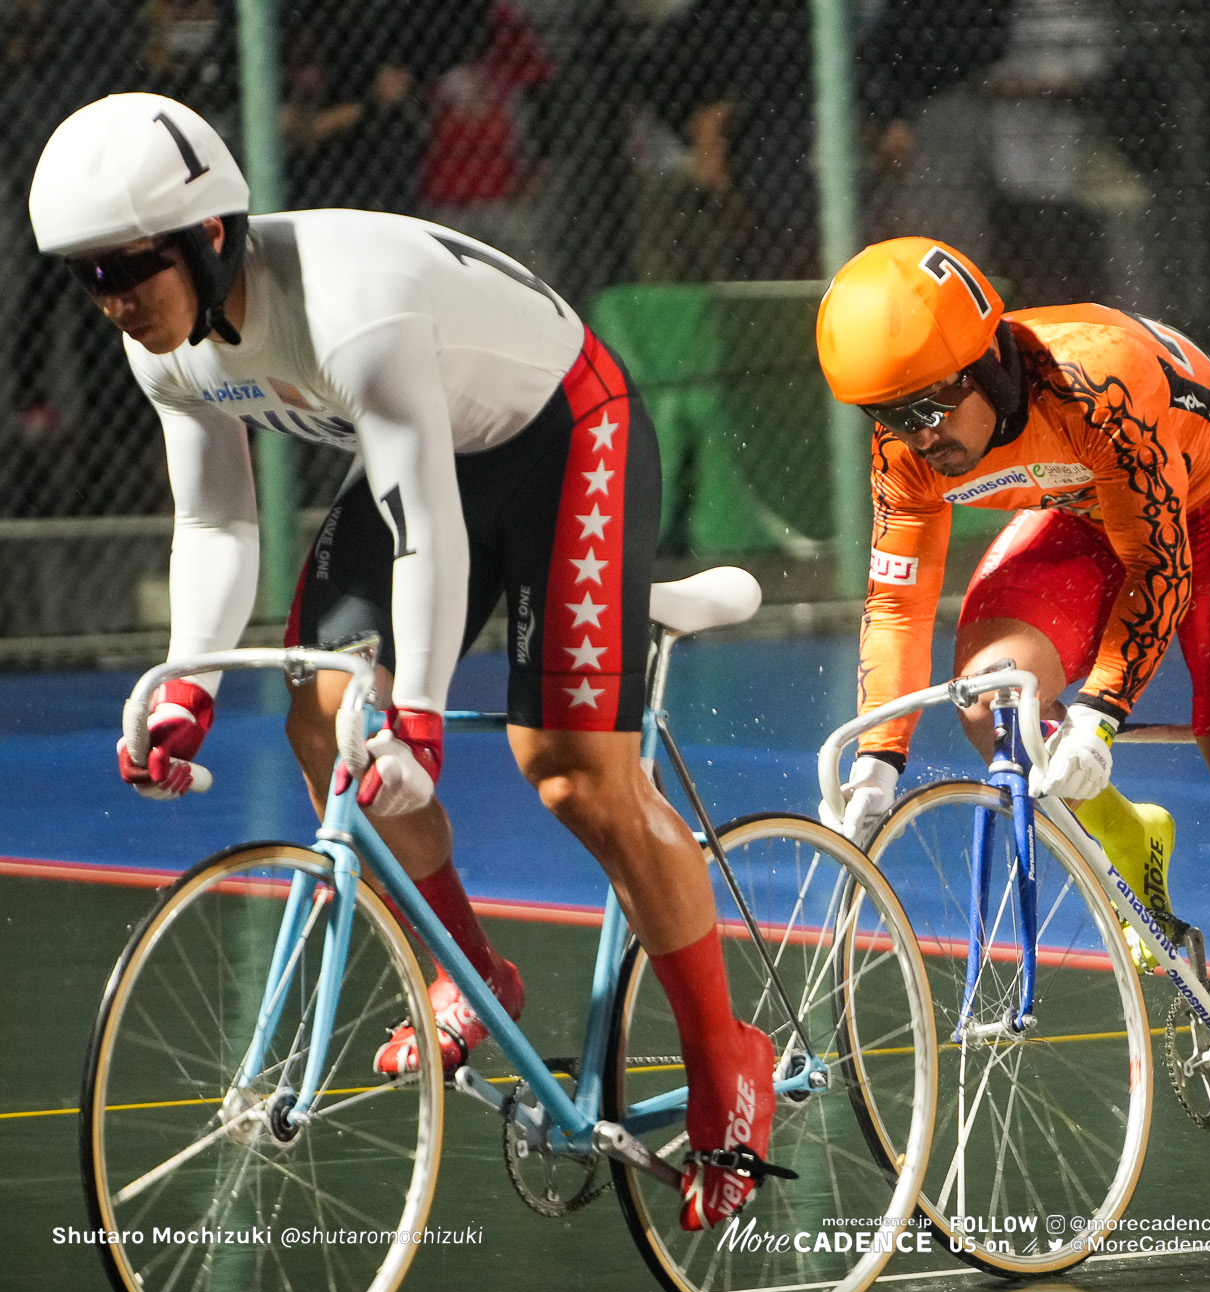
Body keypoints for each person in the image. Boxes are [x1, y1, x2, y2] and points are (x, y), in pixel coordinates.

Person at [29, 92, 771, 1231]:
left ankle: (731, 1068)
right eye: (88, 277)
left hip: (563, 433)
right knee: (324, 721)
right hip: (432, 455)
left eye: (128, 266)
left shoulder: (348, 303)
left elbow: (424, 517)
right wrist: (188, 682)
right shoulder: (166, 350)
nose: (114, 301)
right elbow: (217, 527)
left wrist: (420, 719)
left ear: (209, 235)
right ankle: (473, 972)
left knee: (572, 771)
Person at [814, 236, 1210, 1157]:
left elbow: (1162, 560)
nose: (916, 434)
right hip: (1085, 508)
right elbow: (896, 602)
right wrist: (880, 760)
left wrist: (1101, 707)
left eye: (925, 405)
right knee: (990, 696)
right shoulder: (910, 450)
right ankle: (1125, 830)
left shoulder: (1094, 384)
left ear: (986, 362)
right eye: (886, 413)